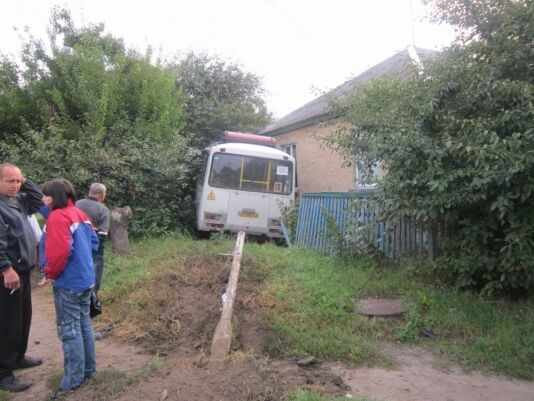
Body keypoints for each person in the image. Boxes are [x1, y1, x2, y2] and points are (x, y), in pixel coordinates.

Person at [39, 179, 99, 399]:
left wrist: (49, 273)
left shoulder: (57, 217)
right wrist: (81, 260)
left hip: (69, 283)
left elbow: (60, 251)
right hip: (85, 280)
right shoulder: (79, 213)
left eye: (45, 196)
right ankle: (89, 371)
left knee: (69, 330)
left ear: (53, 197)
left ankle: (72, 380)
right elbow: (94, 242)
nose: (43, 200)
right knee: (83, 325)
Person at [0, 163, 44, 393]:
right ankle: (4, 373)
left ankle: (18, 357)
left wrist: (25, 181)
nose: (15, 185)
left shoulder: (17, 201)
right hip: (8, 274)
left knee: (24, 317)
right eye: (10, 181)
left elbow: (38, 200)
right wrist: (5, 268)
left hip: (24, 271)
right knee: (8, 322)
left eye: (18, 181)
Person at [76, 183, 110, 295]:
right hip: (94, 250)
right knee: (95, 272)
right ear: (102, 195)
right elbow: (102, 234)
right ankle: (92, 299)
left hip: (75, 246)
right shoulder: (103, 209)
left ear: (90, 192)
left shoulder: (76, 204)